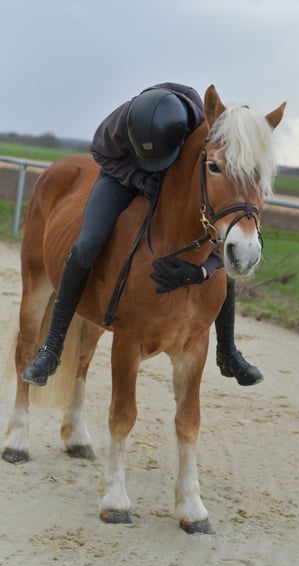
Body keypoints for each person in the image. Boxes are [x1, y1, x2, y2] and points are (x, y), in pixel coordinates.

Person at [22, 82, 263, 388]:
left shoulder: (194, 122)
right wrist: (139, 180)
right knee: (86, 245)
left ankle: (227, 350)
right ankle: (52, 346)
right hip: (122, 173)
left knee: (220, 238)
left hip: (171, 171)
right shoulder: (114, 127)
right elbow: (103, 157)